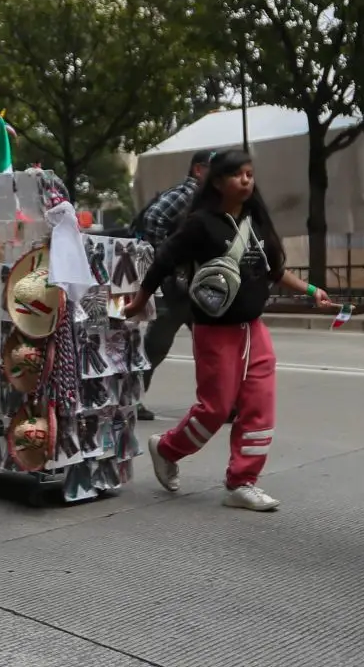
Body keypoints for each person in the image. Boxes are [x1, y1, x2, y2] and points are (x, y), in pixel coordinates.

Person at [131, 148, 333, 512]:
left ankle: (242, 482)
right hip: (215, 331)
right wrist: (140, 299)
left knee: (258, 406)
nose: (246, 180)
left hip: (254, 330)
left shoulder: (255, 221)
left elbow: (274, 271)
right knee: (216, 408)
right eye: (238, 174)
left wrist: (311, 291)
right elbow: (164, 260)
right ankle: (166, 448)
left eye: (250, 174)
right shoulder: (201, 224)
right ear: (218, 182)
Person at [132, 150, 211, 421]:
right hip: (177, 288)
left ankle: (220, 403)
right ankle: (130, 399)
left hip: (196, 287)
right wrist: (165, 259)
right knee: (157, 344)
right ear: (199, 170)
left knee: (211, 345)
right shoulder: (186, 194)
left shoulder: (206, 200)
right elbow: (154, 218)